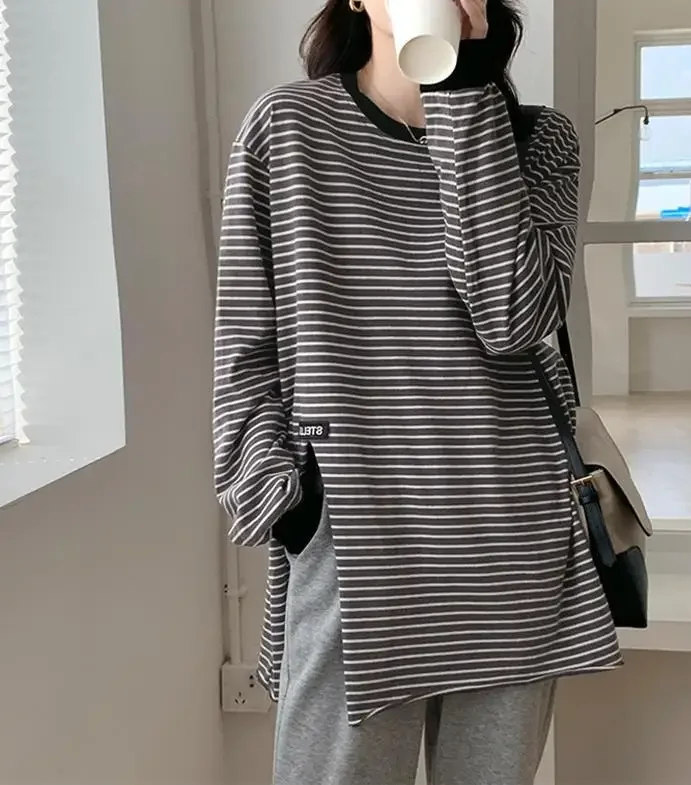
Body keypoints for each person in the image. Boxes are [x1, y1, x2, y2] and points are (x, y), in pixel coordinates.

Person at [212, 1, 621, 783]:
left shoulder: (538, 139)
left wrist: (459, 89)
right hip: (354, 531)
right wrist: (281, 499)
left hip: (509, 533)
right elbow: (245, 337)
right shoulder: (288, 126)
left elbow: (511, 317)